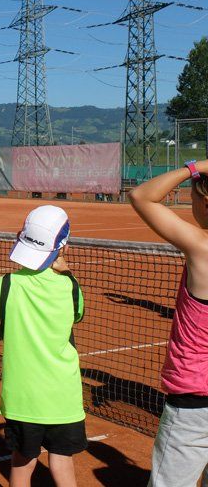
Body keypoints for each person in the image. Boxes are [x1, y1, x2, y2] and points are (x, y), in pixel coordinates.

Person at [0, 205, 86, 487]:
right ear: (64, 248)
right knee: (62, 463)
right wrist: (68, 273)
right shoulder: (71, 287)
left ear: (21, 238)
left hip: (22, 399)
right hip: (64, 397)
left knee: (22, 464)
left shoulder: (4, 285)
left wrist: (13, 324)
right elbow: (75, 317)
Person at [129, 160, 208, 487]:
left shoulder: (202, 248)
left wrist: (196, 166)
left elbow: (141, 196)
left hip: (194, 403)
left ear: (205, 202)